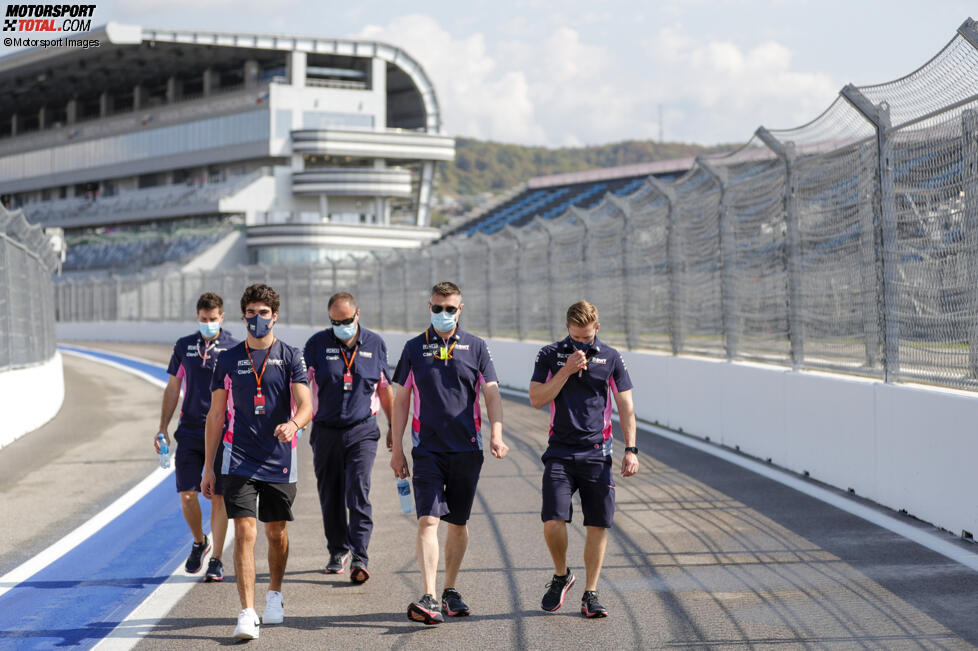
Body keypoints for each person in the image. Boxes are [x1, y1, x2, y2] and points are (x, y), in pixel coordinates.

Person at [390, 281, 509, 625]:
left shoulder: (476, 347)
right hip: (426, 450)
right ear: (429, 307)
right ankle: (429, 594)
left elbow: (491, 393)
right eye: (437, 308)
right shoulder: (414, 348)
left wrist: (496, 434)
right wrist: (397, 449)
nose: (443, 314)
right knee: (428, 519)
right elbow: (401, 401)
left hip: (466, 449)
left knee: (458, 523)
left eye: (450, 309)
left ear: (461, 309)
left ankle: (449, 590)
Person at [201, 283, 312, 641]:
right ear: (243, 315)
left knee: (275, 532)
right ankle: (247, 612)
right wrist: (208, 466)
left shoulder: (292, 356)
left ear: (275, 316)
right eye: (251, 313)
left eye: (264, 313)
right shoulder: (229, 359)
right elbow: (216, 414)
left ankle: (274, 596)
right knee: (245, 532)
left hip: (280, 457)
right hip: (239, 458)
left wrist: (294, 423)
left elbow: (307, 404)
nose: (257, 319)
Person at [528, 300, 639, 618]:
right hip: (560, 452)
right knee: (552, 521)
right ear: (567, 329)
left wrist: (631, 450)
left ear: (597, 329)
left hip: (597, 455)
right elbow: (536, 399)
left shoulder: (612, 357)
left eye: (586, 338)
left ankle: (590, 592)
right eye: (576, 338)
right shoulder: (549, 355)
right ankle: (561, 575)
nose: (581, 343)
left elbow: (626, 406)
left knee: (597, 525)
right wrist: (566, 370)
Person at [303, 291, 394, 582]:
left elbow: (384, 389)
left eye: (346, 320)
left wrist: (394, 426)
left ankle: (360, 556)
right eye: (335, 321)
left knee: (358, 489)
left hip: (362, 430)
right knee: (330, 494)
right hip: (326, 430)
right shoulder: (316, 344)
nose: (341, 325)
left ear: (357, 315)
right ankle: (337, 550)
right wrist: (295, 421)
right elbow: (301, 388)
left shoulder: (375, 344)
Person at [155, 292, 238, 581]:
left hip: (223, 431)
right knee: (188, 496)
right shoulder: (184, 346)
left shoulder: (233, 348)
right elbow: (172, 388)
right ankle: (200, 541)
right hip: (189, 431)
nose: (208, 324)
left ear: (222, 317)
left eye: (213, 320)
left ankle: (216, 560)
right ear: (197, 317)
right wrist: (163, 427)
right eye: (203, 320)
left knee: (217, 495)